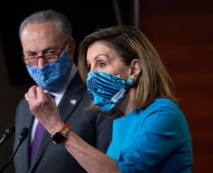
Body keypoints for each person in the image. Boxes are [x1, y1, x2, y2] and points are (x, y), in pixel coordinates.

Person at [25, 25, 193, 173]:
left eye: (102, 64)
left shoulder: (163, 114)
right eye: (90, 67)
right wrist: (56, 131)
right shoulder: (119, 120)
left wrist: (55, 126)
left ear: (134, 69)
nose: (91, 75)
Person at [13, 9, 113, 173]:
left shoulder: (100, 97)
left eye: (50, 53)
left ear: (70, 47)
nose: (40, 64)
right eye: (31, 55)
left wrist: (56, 127)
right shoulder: (24, 106)